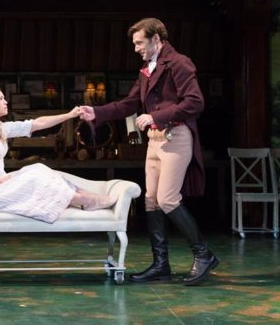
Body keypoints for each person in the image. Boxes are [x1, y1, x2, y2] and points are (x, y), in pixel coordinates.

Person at [80, 17, 219, 286]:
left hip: (176, 136)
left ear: (157, 39)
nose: (136, 48)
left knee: (167, 199)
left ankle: (204, 255)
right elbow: (128, 104)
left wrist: (156, 116)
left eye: (139, 42)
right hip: (154, 141)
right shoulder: (147, 68)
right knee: (151, 200)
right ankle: (160, 265)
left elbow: (195, 102)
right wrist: (96, 112)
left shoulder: (179, 63)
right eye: (134, 44)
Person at [0, 85, 117, 224]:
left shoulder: (0, 128)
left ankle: (81, 196)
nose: (5, 102)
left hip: (0, 183)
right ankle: (85, 200)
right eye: (0, 98)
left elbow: (37, 124)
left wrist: (69, 115)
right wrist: (0, 182)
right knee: (34, 176)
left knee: (38, 168)